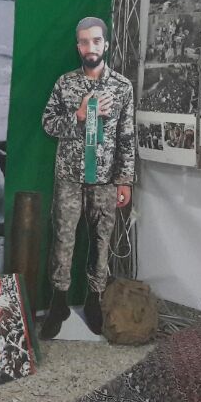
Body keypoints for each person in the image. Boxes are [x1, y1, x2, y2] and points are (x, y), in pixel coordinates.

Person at [39, 17, 135, 338]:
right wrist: (79, 115)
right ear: (78, 46)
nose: (89, 47)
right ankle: (58, 304)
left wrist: (124, 180)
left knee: (101, 241)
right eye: (83, 41)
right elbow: (48, 123)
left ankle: (94, 301)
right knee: (63, 239)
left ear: (105, 44)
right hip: (70, 176)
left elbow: (127, 136)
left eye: (95, 41)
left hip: (104, 179)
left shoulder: (122, 87)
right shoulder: (65, 83)